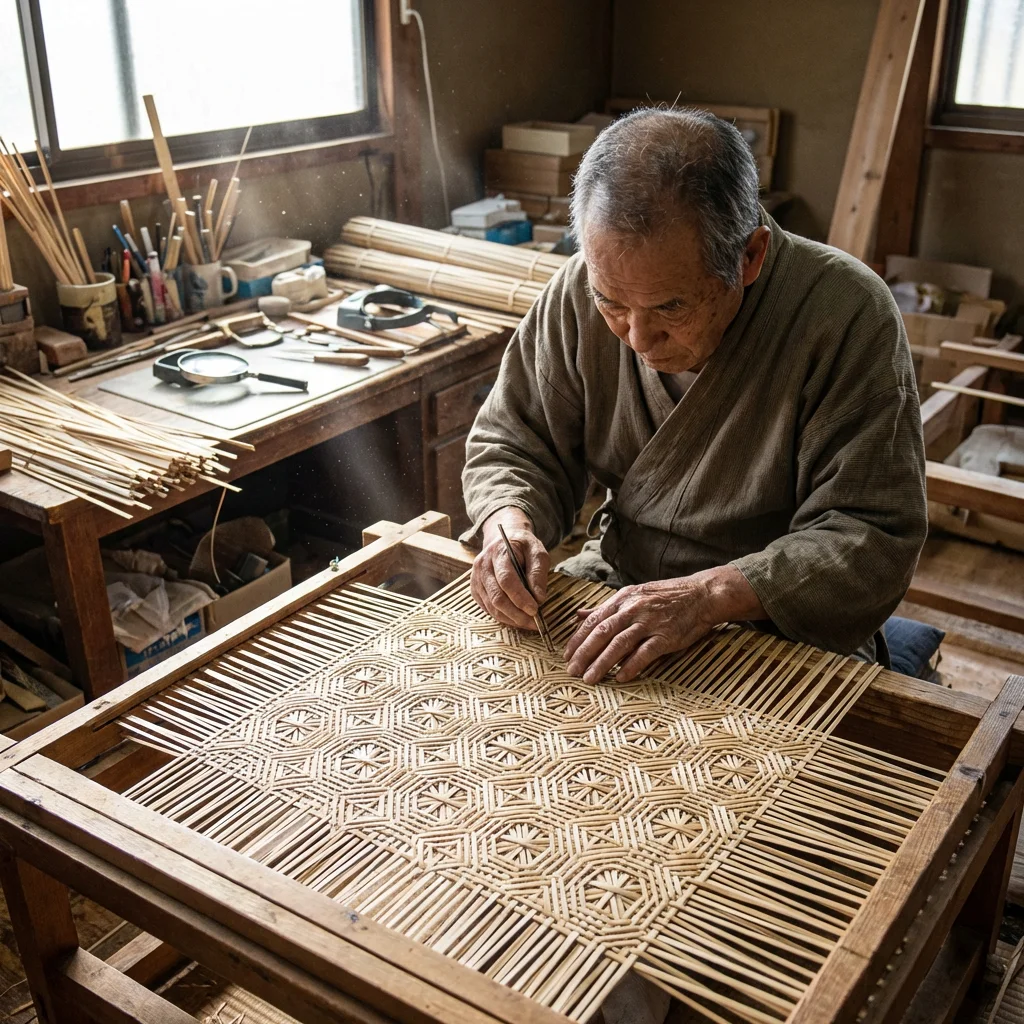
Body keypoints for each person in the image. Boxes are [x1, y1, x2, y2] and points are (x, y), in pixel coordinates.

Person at [462, 106, 927, 683]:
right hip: (623, 587)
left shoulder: (847, 315)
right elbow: (514, 438)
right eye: (612, 302)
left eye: (671, 307)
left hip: (780, 624)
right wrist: (509, 523)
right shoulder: (579, 289)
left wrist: (709, 595)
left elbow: (871, 533)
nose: (636, 336)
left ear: (750, 256)